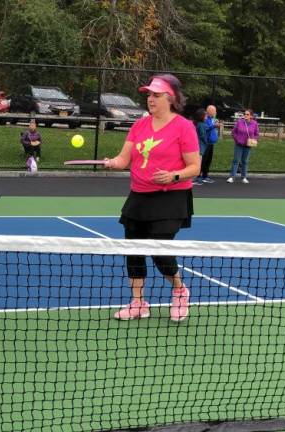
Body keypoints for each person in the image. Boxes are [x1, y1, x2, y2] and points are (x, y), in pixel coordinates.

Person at [103, 74, 200, 322]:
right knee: (133, 250)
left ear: (171, 98)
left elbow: (195, 167)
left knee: (159, 250)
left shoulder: (183, 127)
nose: (151, 99)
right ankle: (138, 303)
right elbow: (124, 159)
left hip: (171, 197)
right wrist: (113, 163)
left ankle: (179, 290)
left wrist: (173, 176)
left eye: (156, 95)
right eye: (149, 94)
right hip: (139, 196)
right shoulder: (139, 126)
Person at [227, 109, 259, 184]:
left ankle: (244, 177)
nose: (245, 115)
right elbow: (233, 132)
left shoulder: (254, 123)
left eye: (247, 114)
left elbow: (257, 134)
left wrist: (254, 139)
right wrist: (237, 140)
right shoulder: (239, 122)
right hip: (239, 144)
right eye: (245, 114)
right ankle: (232, 177)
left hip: (248, 145)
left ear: (251, 116)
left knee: (245, 161)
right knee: (236, 160)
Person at [192, 109, 208, 186]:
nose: (206, 117)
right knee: (198, 162)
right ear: (201, 116)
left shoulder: (199, 124)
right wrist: (206, 141)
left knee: (198, 161)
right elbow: (202, 135)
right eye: (205, 115)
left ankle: (196, 177)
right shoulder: (201, 125)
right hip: (200, 146)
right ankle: (194, 178)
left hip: (199, 145)